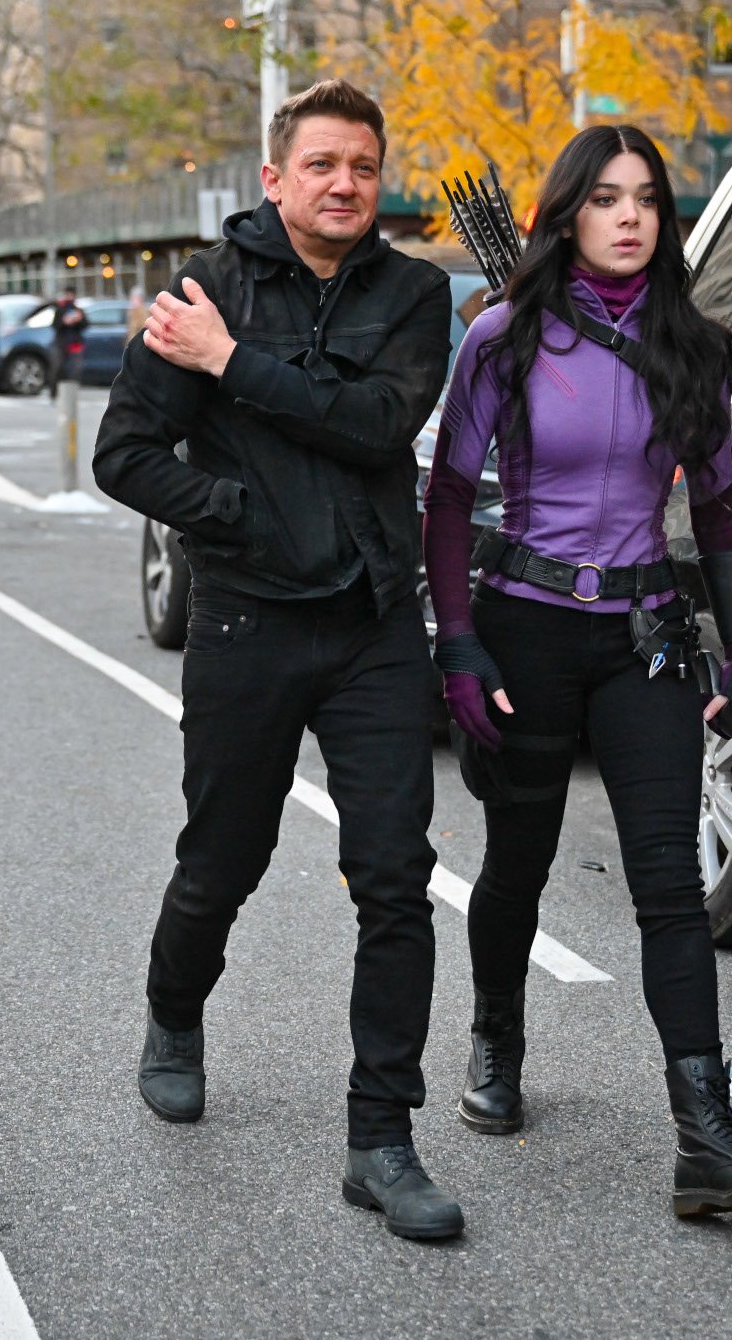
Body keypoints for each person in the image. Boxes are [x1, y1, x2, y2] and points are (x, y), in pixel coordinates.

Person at [91, 79, 460, 1241]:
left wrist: (232, 364)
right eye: (320, 165)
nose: (344, 184)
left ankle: (380, 1140)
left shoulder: (413, 294)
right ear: (273, 178)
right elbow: (123, 453)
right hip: (244, 623)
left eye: (362, 166)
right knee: (223, 861)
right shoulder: (204, 288)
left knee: (394, 876)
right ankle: (173, 1010)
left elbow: (377, 426)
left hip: (371, 625)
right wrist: (230, 516)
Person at [422, 124, 732, 1218]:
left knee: (669, 887)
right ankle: (496, 1037)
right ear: (568, 214)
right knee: (518, 862)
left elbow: (717, 507)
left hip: (644, 638)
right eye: (604, 197)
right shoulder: (501, 337)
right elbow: (447, 499)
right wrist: (458, 643)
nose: (628, 215)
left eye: (645, 198)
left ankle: (706, 1137)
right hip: (525, 629)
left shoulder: (693, 346)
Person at [49, 290, 88, 400]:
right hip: (61, 343)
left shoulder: (78, 310)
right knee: (58, 368)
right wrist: (64, 322)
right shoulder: (60, 310)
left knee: (75, 370)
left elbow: (85, 325)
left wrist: (78, 320)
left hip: (75, 343)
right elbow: (55, 326)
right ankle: (54, 394)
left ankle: (71, 395)